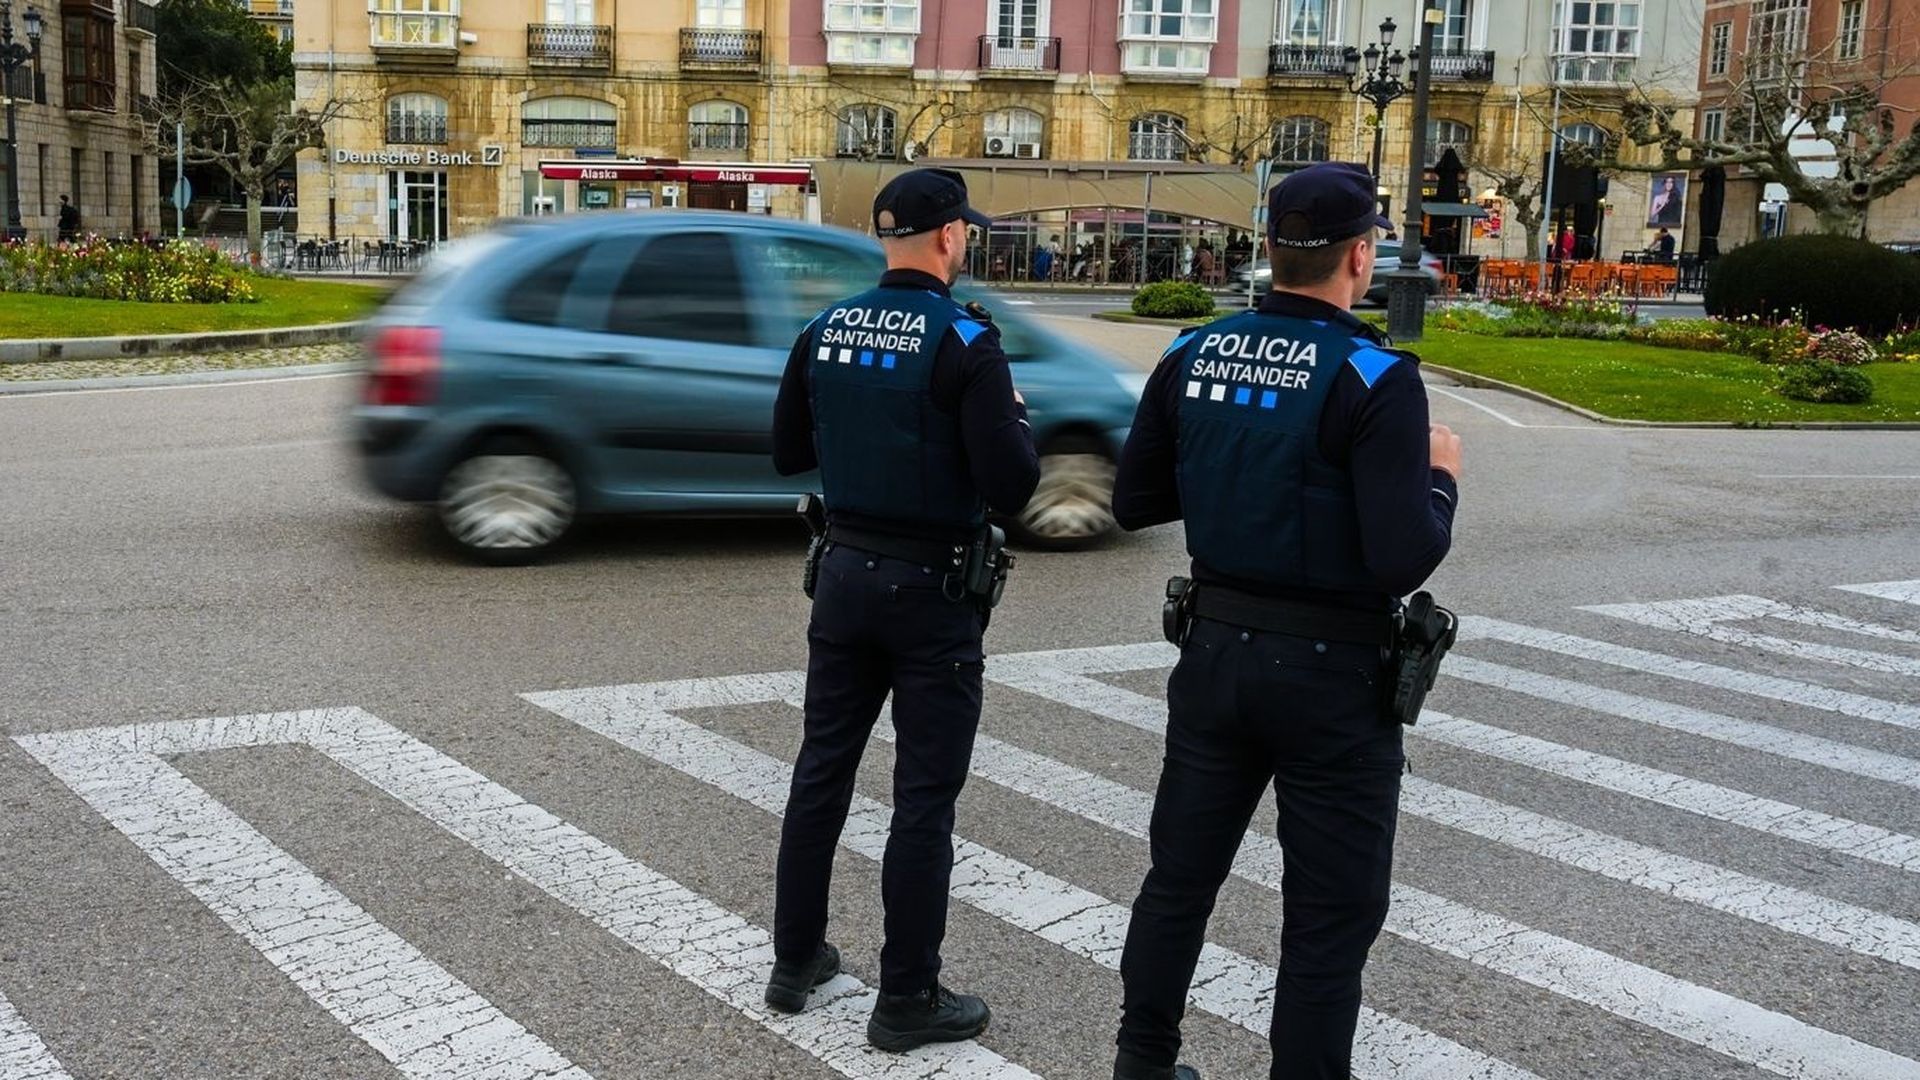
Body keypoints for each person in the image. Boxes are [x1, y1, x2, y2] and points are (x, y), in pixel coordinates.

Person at [1107, 160, 1462, 1080]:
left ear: (1270, 250)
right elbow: (1402, 555)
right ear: (1361, 253)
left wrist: (1238, 477)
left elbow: (1137, 499)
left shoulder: (1193, 353)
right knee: (1327, 917)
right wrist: (1441, 478)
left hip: (1217, 650)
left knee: (1179, 881)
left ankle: (1142, 1064)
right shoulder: (1376, 376)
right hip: (1334, 677)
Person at [766, 168, 1041, 1053]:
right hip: (933, 592)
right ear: (952, 236)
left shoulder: (826, 327)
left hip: (843, 574)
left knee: (822, 773)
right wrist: (1013, 423)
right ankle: (907, 998)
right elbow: (1014, 488)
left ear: (887, 237)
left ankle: (795, 960)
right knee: (923, 798)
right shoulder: (967, 341)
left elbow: (785, 453)